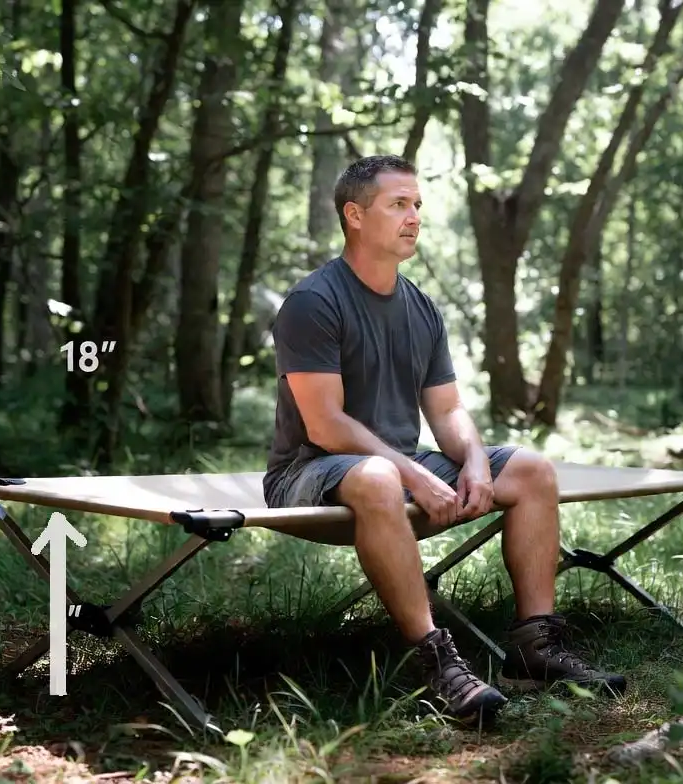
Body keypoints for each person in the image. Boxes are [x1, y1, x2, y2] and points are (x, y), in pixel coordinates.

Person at [262, 154, 625, 725]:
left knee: (531, 470)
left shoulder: (421, 307)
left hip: (394, 466)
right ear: (355, 215)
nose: (414, 218)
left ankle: (534, 650)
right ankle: (436, 666)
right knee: (382, 474)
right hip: (308, 472)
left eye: (417, 205)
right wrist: (412, 474)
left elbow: (448, 408)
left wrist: (476, 460)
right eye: (398, 205)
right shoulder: (314, 302)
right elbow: (326, 425)